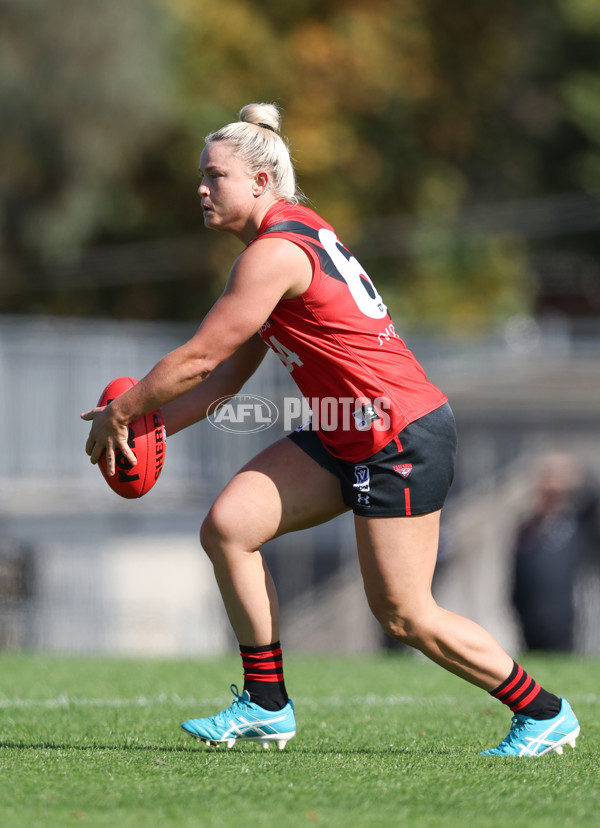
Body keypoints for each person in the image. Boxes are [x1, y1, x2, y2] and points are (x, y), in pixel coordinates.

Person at [82, 102, 580, 757]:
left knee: (403, 614)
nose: (201, 189)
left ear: (261, 183)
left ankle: (544, 712)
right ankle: (266, 704)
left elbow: (199, 357)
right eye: (201, 177)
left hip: (400, 434)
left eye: (215, 176)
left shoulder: (274, 254)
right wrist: (149, 428)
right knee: (230, 527)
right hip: (350, 433)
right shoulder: (287, 240)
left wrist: (125, 411)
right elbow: (224, 380)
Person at [512, 453, 599, 652]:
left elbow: (593, 496)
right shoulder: (528, 526)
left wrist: (574, 475)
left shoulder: (577, 522)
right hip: (530, 618)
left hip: (568, 620)